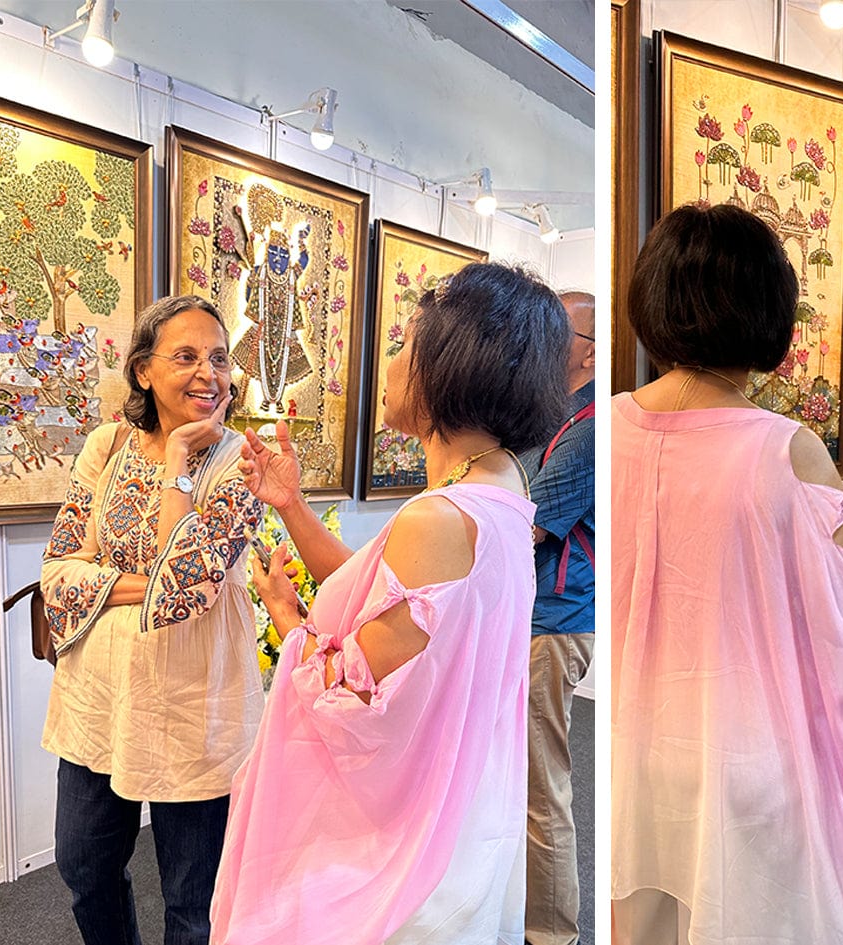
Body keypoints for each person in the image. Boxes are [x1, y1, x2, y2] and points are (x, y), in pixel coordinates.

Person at [208, 262, 571, 944]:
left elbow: (355, 698)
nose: (391, 361)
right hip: (463, 811)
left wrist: (287, 621)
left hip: (406, 842)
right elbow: (387, 600)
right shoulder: (501, 486)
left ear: (448, 365)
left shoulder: (439, 516)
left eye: (405, 343)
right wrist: (291, 505)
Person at [610, 203, 843, 944]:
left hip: (629, 746)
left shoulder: (607, 426)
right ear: (767, 308)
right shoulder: (784, 449)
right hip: (745, 752)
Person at [40, 295, 261, 945]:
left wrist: (179, 463)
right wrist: (152, 584)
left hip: (195, 703)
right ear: (143, 370)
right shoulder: (105, 445)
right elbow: (58, 571)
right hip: (99, 698)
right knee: (84, 867)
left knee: (193, 902)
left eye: (219, 358)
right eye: (186, 356)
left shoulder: (242, 462)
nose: (208, 373)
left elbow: (186, 587)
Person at [523, 290, 598, 945]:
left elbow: (527, 527)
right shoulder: (552, 416)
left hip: (553, 622)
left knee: (542, 787)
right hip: (530, 618)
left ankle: (551, 933)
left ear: (590, 352)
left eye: (558, 332)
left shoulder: (591, 428)